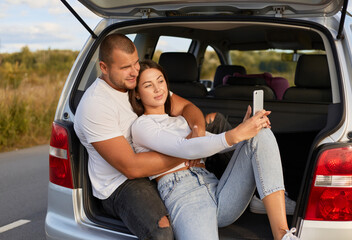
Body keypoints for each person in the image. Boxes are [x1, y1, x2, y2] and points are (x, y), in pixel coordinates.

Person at [129, 59, 300, 240]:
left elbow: (211, 143)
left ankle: (282, 234)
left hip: (216, 188)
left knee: (260, 134)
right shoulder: (142, 126)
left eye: (160, 81)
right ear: (138, 94)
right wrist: (235, 134)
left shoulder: (179, 119)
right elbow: (185, 148)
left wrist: (245, 130)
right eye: (148, 85)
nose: (158, 89)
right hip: (184, 193)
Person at [74, 33, 208, 240]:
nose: (134, 71)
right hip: (121, 183)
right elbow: (131, 168)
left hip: (156, 159)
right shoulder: (96, 105)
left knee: (214, 122)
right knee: (162, 230)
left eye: (136, 63)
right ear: (104, 67)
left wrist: (198, 130)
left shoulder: (137, 82)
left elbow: (187, 106)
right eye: (125, 67)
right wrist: (191, 150)